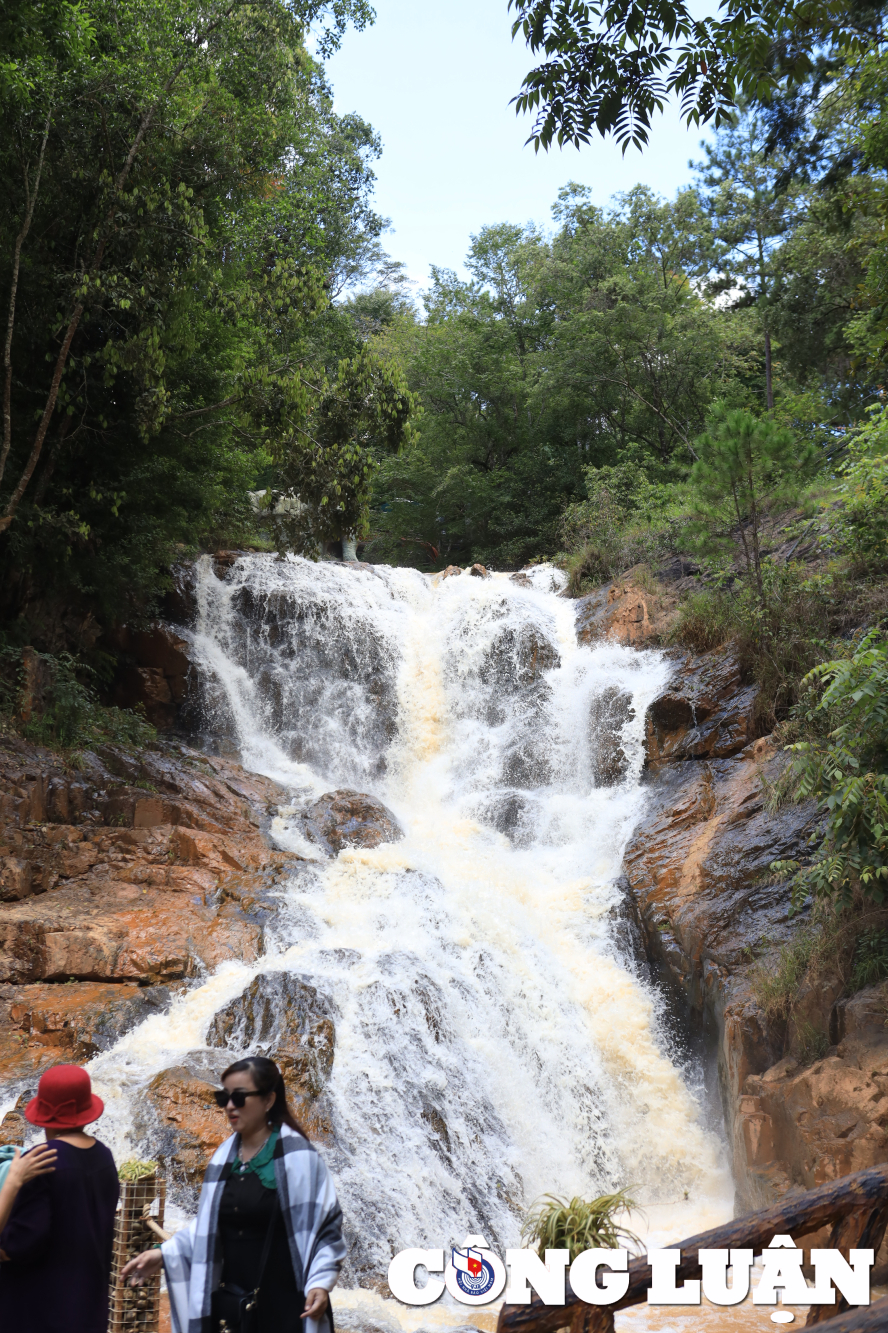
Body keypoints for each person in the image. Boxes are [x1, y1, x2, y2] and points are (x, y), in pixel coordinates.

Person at [123, 1055, 345, 1333]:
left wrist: (321, 1283)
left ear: (268, 1100)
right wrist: (164, 1254)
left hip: (287, 1307)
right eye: (223, 1097)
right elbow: (209, 1230)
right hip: (234, 1308)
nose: (229, 1106)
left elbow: (327, 1227)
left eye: (239, 1097)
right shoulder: (222, 1160)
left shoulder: (300, 1158)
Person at [0, 1063, 120, 1333]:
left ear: (44, 1113)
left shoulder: (40, 1163)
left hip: (38, 1314)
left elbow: (17, 1246)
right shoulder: (105, 1158)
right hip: (89, 1310)